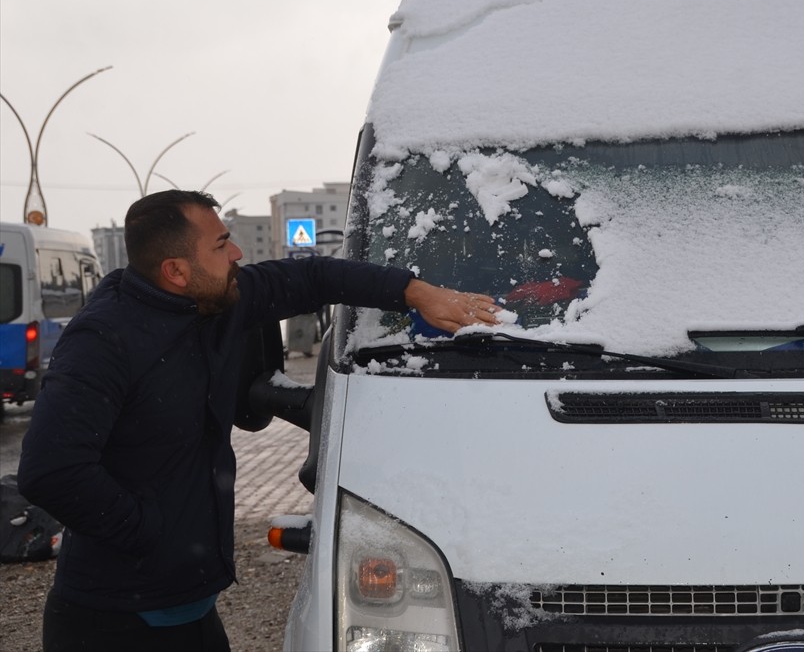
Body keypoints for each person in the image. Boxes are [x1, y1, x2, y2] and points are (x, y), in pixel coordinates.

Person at [17, 189, 500, 652]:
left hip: (192, 610)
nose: (238, 254)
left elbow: (313, 277)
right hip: (112, 624)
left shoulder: (219, 300)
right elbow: (51, 471)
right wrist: (151, 535)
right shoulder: (103, 342)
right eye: (222, 245)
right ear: (176, 270)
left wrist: (416, 293)